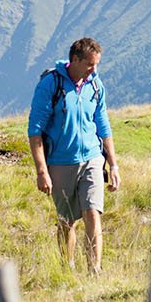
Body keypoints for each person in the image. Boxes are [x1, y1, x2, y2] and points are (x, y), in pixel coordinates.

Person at [28, 37, 121, 273]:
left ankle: (95, 270)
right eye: (90, 64)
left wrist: (113, 164)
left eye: (96, 64)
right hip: (60, 162)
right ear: (75, 60)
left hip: (92, 157)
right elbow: (35, 131)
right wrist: (42, 171)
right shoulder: (51, 84)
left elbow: (103, 125)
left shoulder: (95, 85)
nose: (94, 69)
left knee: (93, 212)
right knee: (66, 220)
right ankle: (67, 269)